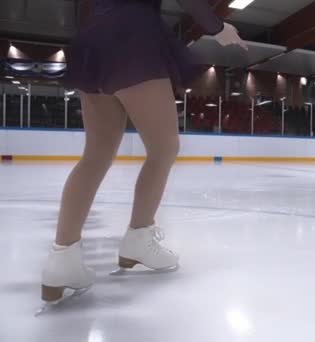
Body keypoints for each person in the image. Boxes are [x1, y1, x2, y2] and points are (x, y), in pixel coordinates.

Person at [40, 0, 246, 303]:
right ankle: (139, 235)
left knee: (96, 154)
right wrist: (217, 28)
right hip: (132, 36)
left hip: (95, 36)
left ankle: (62, 259)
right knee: (164, 147)